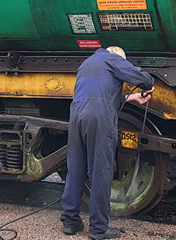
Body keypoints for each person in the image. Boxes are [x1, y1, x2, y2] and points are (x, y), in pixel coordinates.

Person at [60, 46, 154, 239]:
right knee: (101, 172)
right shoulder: (113, 59)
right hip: (99, 119)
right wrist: (148, 84)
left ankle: (70, 221)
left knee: (75, 168)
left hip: (76, 117)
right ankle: (98, 228)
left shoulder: (87, 63)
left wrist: (132, 97)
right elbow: (143, 78)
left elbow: (103, 94)